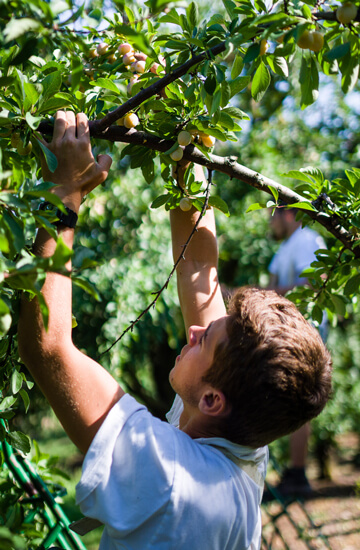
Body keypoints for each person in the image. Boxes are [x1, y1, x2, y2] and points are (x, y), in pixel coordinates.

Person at [17, 111, 332, 550]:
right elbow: (199, 267)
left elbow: (47, 347)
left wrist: (64, 194)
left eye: (206, 340)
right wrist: (185, 145)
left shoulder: (165, 472)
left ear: (212, 400)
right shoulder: (243, 446)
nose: (194, 331)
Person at [267, 206, 327, 498]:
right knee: (287, 397)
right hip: (289, 332)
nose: (270, 222)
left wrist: (270, 296)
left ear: (287, 214)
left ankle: (299, 474)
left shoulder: (307, 240)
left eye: (272, 215)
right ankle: (294, 471)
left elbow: (317, 281)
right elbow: (271, 289)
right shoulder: (288, 247)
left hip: (305, 332)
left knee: (298, 396)